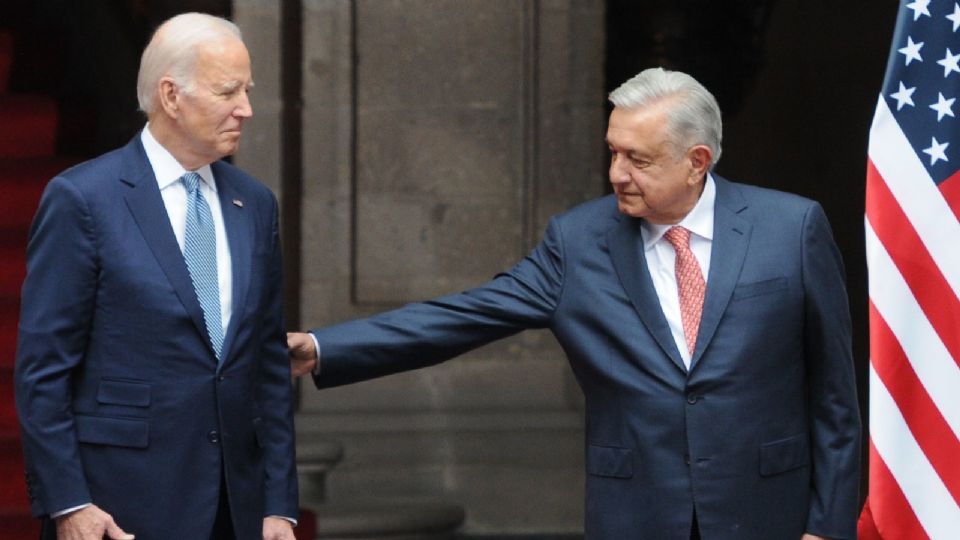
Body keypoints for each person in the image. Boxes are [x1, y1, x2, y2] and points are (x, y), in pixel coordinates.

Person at [288, 67, 860, 540]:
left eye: (638, 159)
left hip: (769, 516)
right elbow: (462, 317)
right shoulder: (579, 241)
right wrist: (320, 348)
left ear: (697, 160)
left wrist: (827, 526)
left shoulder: (790, 227)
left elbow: (835, 399)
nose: (617, 174)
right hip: (636, 516)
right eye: (613, 153)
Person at [15, 13, 298, 540]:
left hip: (235, 510)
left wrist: (279, 505)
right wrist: (70, 504)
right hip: (122, 508)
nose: (247, 109)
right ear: (171, 96)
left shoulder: (254, 204)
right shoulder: (84, 199)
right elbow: (43, 370)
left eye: (248, 90)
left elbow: (265, 367)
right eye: (228, 91)